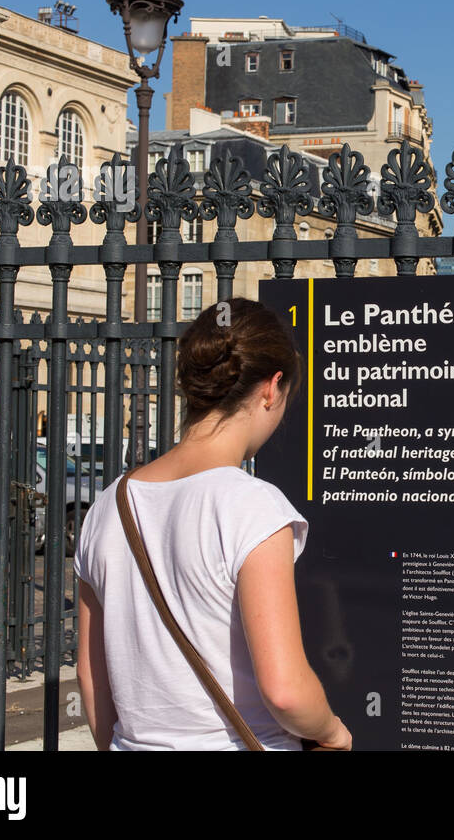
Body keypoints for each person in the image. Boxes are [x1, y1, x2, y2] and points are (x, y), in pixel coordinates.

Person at [74, 298, 351, 751]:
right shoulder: (254, 505)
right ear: (270, 387)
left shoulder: (109, 505)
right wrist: (333, 731)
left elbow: (90, 674)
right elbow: (284, 690)